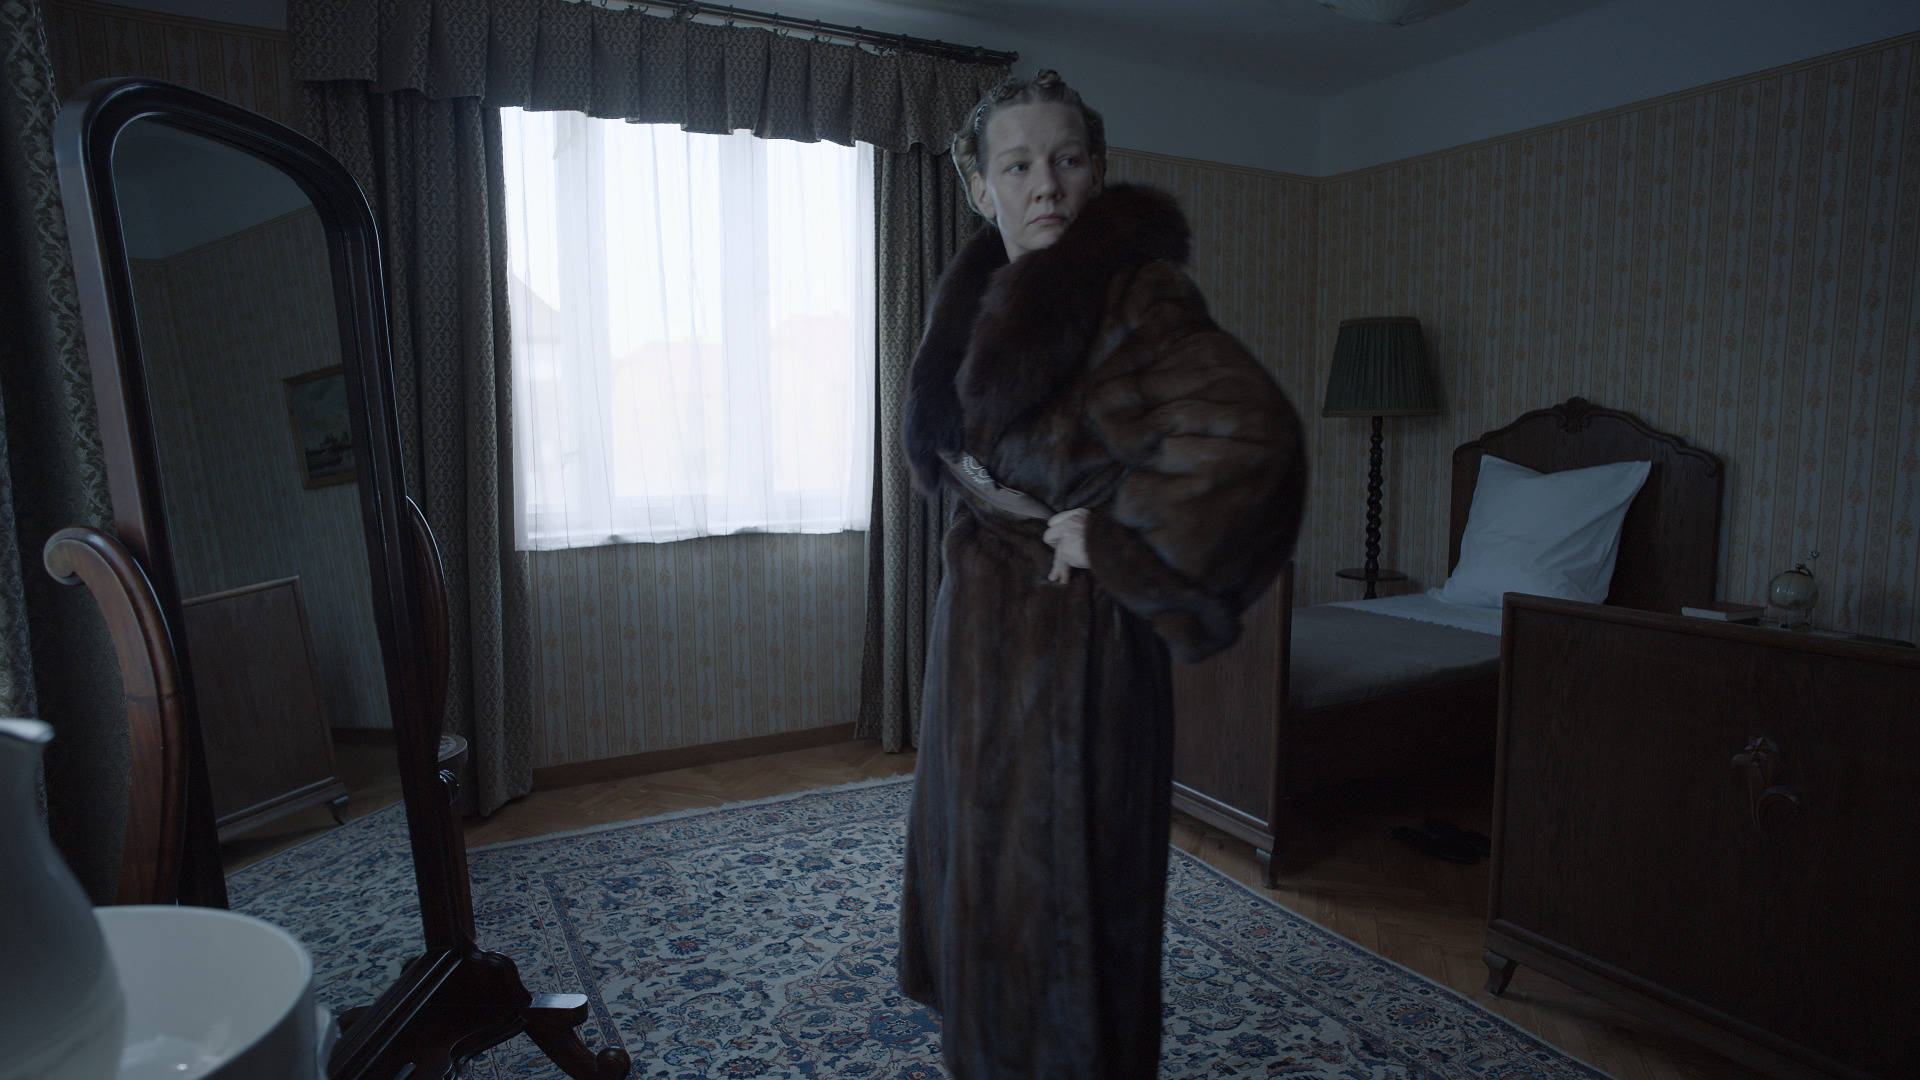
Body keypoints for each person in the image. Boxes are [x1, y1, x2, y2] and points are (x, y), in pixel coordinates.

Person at [895, 70, 1309, 1080]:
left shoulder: (1132, 292)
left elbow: (1253, 440)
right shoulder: (983, 289)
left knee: (1066, 903)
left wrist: (1116, 537)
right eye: (1021, 164)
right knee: (986, 875)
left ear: (1100, 170)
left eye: (1070, 159)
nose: (1049, 185)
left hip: (1076, 650)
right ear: (981, 188)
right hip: (982, 627)